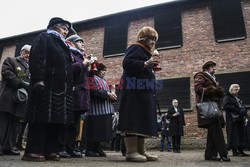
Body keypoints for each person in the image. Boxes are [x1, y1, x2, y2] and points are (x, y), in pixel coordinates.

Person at [21, 17, 74, 162]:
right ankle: (33, 150)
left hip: (61, 89)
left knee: (56, 121)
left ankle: (50, 150)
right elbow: (37, 58)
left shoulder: (64, 46)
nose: (66, 31)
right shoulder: (45, 37)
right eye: (64, 28)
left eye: (67, 30)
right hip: (45, 86)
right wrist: (38, 79)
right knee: (40, 119)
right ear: (55, 26)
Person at [117, 26, 160, 162]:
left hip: (142, 92)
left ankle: (142, 151)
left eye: (154, 40)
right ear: (143, 38)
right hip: (133, 92)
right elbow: (127, 63)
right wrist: (146, 63)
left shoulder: (147, 52)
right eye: (150, 39)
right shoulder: (135, 47)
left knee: (142, 120)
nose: (153, 42)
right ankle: (131, 152)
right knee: (133, 118)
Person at [56, 34, 91, 158]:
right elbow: (67, 70)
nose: (83, 44)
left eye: (83, 42)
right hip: (71, 93)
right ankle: (61, 147)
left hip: (80, 95)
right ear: (72, 43)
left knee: (74, 124)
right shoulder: (69, 54)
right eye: (79, 41)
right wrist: (83, 64)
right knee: (66, 122)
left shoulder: (81, 56)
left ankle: (70, 148)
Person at [194, 61, 230, 162]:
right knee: (217, 131)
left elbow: (217, 90)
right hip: (209, 108)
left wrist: (218, 90)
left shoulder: (213, 77)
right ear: (207, 68)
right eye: (212, 67)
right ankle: (224, 154)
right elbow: (198, 88)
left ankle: (209, 155)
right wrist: (214, 90)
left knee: (212, 132)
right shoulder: (200, 75)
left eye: (214, 67)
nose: (214, 69)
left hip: (215, 107)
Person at [0, 44, 31, 156]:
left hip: (20, 100)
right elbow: (6, 73)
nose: (28, 55)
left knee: (15, 125)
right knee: (2, 123)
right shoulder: (11, 60)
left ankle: (9, 147)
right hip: (8, 97)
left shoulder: (30, 67)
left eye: (30, 54)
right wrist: (20, 82)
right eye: (26, 52)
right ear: (21, 51)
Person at [84, 63, 117, 157]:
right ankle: (90, 149)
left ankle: (98, 148)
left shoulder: (104, 80)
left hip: (105, 109)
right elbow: (93, 92)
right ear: (97, 70)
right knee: (94, 131)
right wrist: (107, 94)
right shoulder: (92, 78)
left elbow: (107, 93)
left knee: (102, 132)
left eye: (105, 71)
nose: (104, 72)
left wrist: (113, 95)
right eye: (102, 70)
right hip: (95, 110)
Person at [223, 84, 249, 157]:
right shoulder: (227, 96)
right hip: (232, 118)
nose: (237, 91)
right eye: (235, 89)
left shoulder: (237, 97)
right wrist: (236, 108)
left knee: (241, 134)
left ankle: (241, 150)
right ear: (231, 89)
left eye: (238, 90)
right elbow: (225, 106)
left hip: (240, 118)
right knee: (234, 134)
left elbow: (240, 105)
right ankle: (235, 151)